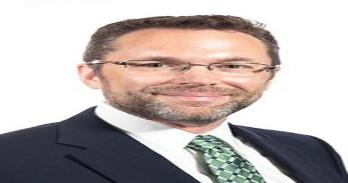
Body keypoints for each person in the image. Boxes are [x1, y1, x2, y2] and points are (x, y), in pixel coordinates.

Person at [0, 15, 347, 183]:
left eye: (232, 65)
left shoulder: (311, 150)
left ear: (268, 75)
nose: (199, 79)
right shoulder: (11, 159)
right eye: (155, 64)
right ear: (91, 74)